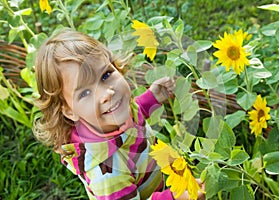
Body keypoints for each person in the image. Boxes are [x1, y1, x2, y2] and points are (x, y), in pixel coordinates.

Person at [33, 29, 182, 199]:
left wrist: (152, 98)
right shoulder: (108, 173)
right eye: (85, 93)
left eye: (105, 75)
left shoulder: (111, 117)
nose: (107, 94)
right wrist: (176, 196)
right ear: (68, 110)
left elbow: (134, 114)